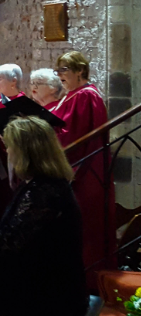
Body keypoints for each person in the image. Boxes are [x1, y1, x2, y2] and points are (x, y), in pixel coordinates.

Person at [0, 116, 86, 316]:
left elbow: (10, 242)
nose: (7, 151)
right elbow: (16, 233)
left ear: (26, 152)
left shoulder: (43, 192)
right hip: (38, 276)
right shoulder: (42, 184)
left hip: (50, 291)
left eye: (10, 147)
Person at [50, 50, 111, 274]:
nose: (59, 75)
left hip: (84, 168)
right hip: (72, 163)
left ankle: (88, 276)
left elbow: (73, 133)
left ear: (80, 70)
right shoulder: (71, 94)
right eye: (58, 70)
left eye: (64, 70)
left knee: (85, 223)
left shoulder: (86, 95)